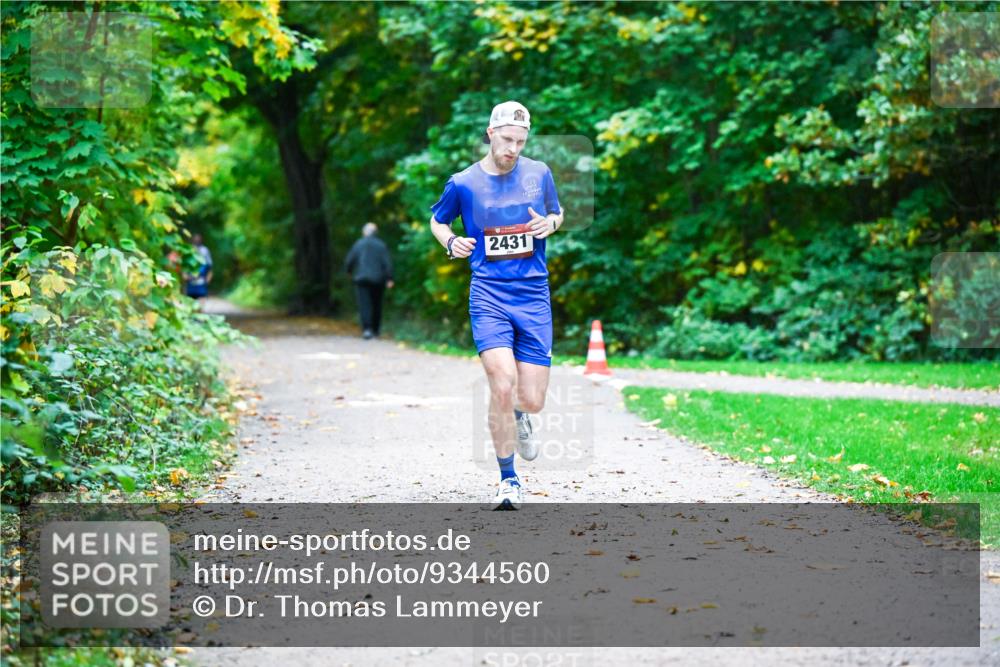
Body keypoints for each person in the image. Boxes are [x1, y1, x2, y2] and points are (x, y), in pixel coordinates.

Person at [428, 101, 564, 510]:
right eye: (507, 140)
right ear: (490, 133)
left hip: (533, 294)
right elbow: (438, 220)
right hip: (488, 293)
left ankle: (519, 414)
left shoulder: (539, 174)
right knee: (500, 382)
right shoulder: (463, 183)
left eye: (521, 142)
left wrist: (550, 224)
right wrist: (452, 242)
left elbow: (557, 213)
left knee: (533, 399)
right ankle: (508, 480)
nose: (513, 149)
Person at [344, 222, 394, 339]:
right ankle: (376, 330)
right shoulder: (381, 245)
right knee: (377, 304)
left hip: (362, 279)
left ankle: (367, 329)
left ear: (364, 232)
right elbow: (387, 263)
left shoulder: (358, 244)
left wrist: (349, 272)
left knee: (364, 305)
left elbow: (349, 260)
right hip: (378, 280)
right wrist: (389, 278)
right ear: (376, 233)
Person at [183, 233, 213, 299]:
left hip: (201, 280)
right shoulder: (189, 249)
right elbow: (185, 265)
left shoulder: (205, 250)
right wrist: (185, 275)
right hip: (190, 281)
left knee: (201, 299)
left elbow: (209, 266)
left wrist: (208, 278)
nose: (197, 240)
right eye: (195, 239)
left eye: (198, 239)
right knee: (190, 301)